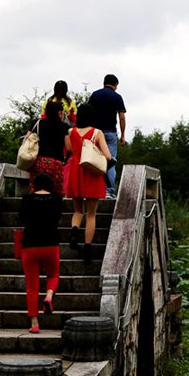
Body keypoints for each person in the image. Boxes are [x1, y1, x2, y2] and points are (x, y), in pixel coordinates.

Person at [65, 103, 113, 263]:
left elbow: (69, 149)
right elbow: (107, 156)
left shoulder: (71, 132)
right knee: (91, 214)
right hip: (91, 173)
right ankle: (87, 249)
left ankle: (74, 231)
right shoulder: (97, 133)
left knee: (78, 211)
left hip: (75, 172)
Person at [18, 172, 61, 333]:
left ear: (34, 185)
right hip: (51, 243)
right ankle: (49, 296)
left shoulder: (27, 199)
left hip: (30, 244)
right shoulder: (57, 199)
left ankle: (34, 323)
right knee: (53, 275)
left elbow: (21, 218)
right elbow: (58, 217)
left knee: (31, 286)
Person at [88, 74, 126, 199]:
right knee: (110, 162)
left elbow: (88, 113)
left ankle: (93, 189)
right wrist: (123, 136)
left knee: (94, 161)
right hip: (110, 133)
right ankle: (108, 191)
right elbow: (121, 117)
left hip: (95, 133)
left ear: (104, 83)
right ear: (115, 84)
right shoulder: (117, 97)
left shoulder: (95, 95)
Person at [25, 101, 71, 195]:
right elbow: (69, 148)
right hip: (56, 163)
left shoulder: (38, 123)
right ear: (59, 113)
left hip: (39, 162)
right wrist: (66, 160)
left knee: (37, 190)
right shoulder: (64, 127)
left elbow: (26, 140)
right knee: (56, 192)